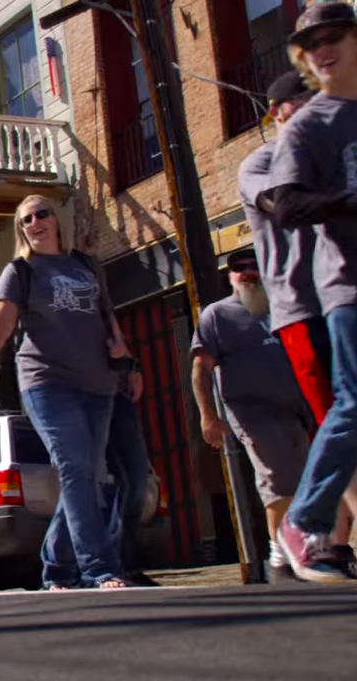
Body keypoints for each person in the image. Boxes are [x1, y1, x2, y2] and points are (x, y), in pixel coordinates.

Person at [0, 195, 135, 590]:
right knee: (75, 468)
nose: (36, 222)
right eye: (26, 219)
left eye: (42, 213)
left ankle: (57, 569)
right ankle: (98, 567)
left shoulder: (86, 265)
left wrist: (127, 360)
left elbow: (107, 316)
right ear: (21, 230)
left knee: (87, 476)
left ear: (56, 220)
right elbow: (3, 316)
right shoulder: (21, 271)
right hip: (47, 383)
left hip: (98, 384)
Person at [243, 70, 357, 572]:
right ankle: (317, 533)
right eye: (301, 100)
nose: (313, 107)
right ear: (278, 112)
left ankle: (330, 539)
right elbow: (284, 203)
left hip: (345, 293)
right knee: (343, 416)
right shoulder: (261, 162)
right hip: (301, 306)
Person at [191, 247, 317, 582]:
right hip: (252, 411)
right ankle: (280, 554)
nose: (246, 272)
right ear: (229, 277)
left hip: (298, 410)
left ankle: (305, 548)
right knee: (278, 480)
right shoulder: (217, 315)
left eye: (252, 266)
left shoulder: (283, 308)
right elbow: (200, 368)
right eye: (238, 268)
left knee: (306, 479)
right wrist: (208, 416)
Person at [104, 367, 155, 586]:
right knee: (95, 484)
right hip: (82, 396)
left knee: (137, 482)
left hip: (116, 394)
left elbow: (118, 342)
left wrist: (132, 367)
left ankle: (126, 565)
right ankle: (106, 567)